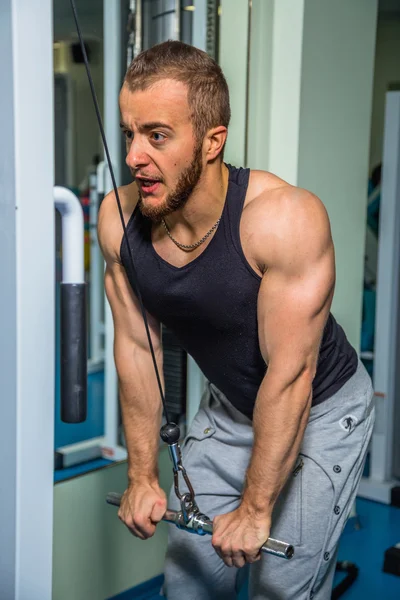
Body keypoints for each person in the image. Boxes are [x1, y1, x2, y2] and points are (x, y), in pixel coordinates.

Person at [98, 40, 375, 600]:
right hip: (231, 407)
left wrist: (254, 508)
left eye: (157, 135)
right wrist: (142, 475)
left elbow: (290, 378)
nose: (133, 156)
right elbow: (134, 348)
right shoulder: (118, 218)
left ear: (211, 141)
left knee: (279, 587)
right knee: (189, 582)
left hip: (320, 409)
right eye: (129, 133)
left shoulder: (283, 221)